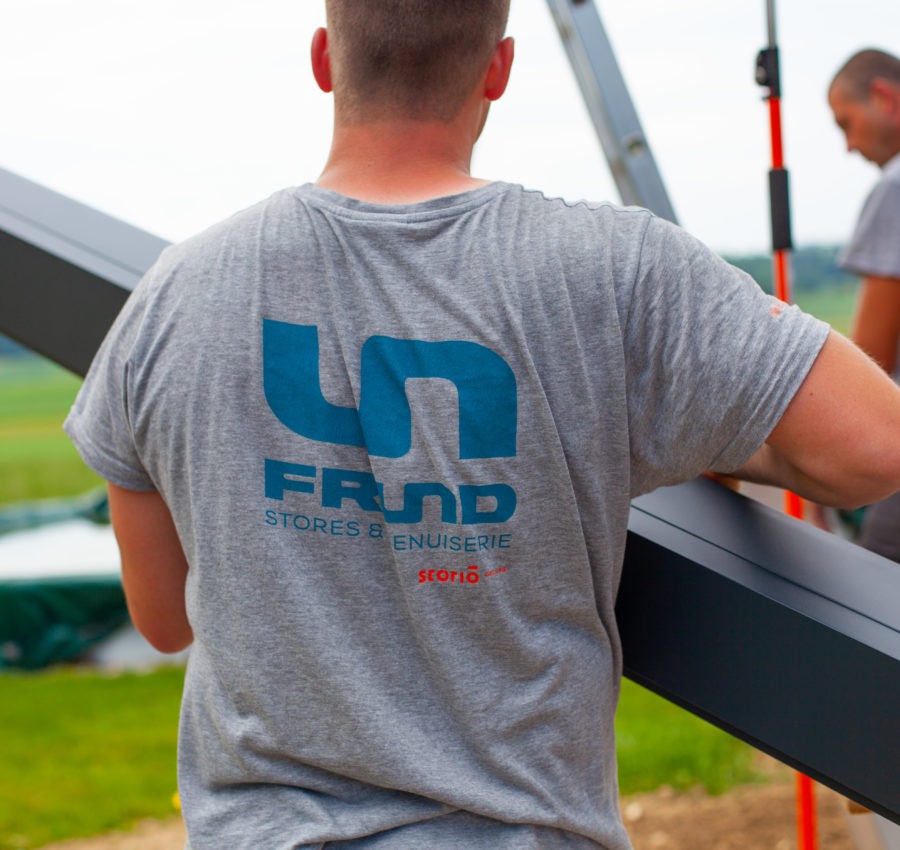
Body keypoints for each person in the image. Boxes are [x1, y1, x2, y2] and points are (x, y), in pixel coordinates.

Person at [64, 4, 900, 848]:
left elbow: (164, 619)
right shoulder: (616, 271)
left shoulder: (175, 296)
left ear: (324, 59)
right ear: (497, 70)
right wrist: (704, 433)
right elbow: (876, 448)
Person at [828, 48, 900, 562]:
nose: (850, 146)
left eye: (846, 124)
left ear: (884, 98)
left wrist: (815, 475)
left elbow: (869, 362)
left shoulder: (894, 191)